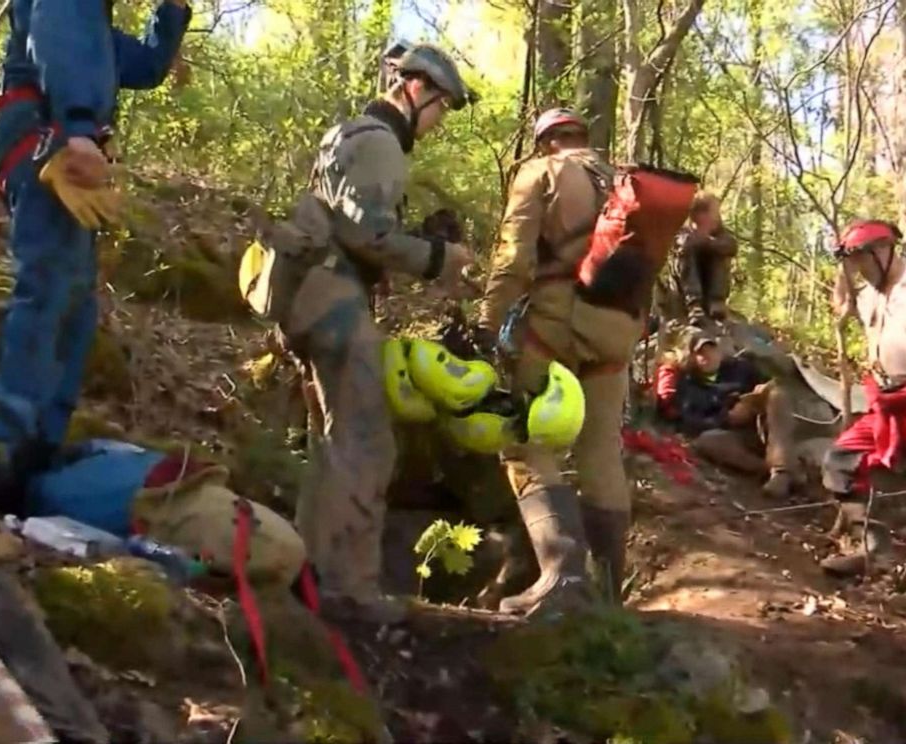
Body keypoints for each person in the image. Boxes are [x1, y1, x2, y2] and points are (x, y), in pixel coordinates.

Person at [274, 43, 474, 622]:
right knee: (365, 442)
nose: (436, 123)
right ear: (417, 89)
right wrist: (442, 256)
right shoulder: (382, 142)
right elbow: (370, 237)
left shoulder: (348, 134)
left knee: (332, 445)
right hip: (334, 301)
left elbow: (350, 223)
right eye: (440, 108)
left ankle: (307, 574)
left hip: (309, 299)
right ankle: (350, 591)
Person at [0, 0, 192, 475]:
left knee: (75, 307)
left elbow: (144, 66)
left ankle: (39, 453)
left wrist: (172, 13)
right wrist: (78, 130)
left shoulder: (96, 27)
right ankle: (7, 449)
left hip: (62, 143)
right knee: (49, 288)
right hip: (47, 143)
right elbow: (56, 41)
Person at [475, 107, 636, 614]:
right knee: (601, 453)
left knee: (523, 441)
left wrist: (488, 320)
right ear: (582, 138)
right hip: (618, 330)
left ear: (546, 142)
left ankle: (563, 577)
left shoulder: (541, 173)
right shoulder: (621, 182)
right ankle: (609, 596)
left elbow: (514, 259)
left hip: (556, 323)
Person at [822, 219, 906, 576]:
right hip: (885, 401)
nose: (860, 272)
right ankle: (878, 553)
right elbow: (841, 306)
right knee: (840, 463)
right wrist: (843, 265)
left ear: (884, 252)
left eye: (863, 263)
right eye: (854, 265)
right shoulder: (871, 294)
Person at [668, 333, 801, 498]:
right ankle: (779, 472)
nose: (706, 356)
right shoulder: (688, 384)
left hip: (763, 428)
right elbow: (689, 422)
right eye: (700, 353)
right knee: (707, 441)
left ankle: (781, 471)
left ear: (720, 351)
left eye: (711, 349)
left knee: (777, 395)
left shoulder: (740, 368)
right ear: (692, 357)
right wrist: (727, 418)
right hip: (731, 434)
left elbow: (770, 384)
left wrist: (752, 399)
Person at [671, 192, 738, 326]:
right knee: (687, 252)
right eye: (713, 213)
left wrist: (708, 241)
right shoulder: (684, 232)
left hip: (711, 290)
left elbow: (731, 246)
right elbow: (682, 245)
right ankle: (695, 305)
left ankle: (716, 302)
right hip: (685, 293)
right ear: (700, 215)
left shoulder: (720, 233)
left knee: (719, 251)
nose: (716, 218)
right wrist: (699, 238)